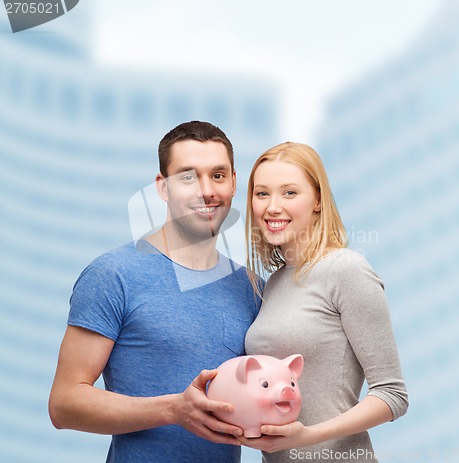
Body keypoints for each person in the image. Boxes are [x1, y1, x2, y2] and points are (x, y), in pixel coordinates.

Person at [48, 121, 260, 463]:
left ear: (234, 182)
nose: (206, 190)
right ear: (163, 187)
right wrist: (174, 409)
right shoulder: (114, 274)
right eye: (188, 177)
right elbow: (64, 404)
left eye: (218, 175)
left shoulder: (251, 288)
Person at [241, 142, 408, 462]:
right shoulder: (273, 284)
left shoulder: (346, 269)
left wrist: (309, 436)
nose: (272, 207)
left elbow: (393, 395)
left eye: (289, 193)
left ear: (318, 200)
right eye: (262, 194)